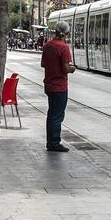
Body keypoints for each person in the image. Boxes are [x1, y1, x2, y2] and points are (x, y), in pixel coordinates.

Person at [41, 21, 75, 153]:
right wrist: (72, 69)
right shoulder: (63, 47)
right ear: (66, 33)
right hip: (60, 86)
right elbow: (66, 68)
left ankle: (51, 141)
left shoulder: (47, 45)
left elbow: (43, 64)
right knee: (57, 115)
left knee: (51, 114)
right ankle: (54, 142)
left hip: (49, 84)